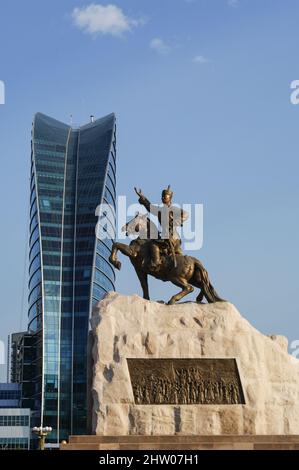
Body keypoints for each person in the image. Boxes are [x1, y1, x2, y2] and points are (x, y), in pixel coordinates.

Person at [134, 185, 189, 269]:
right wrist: (143, 198)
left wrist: (174, 222)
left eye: (165, 197)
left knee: (153, 243)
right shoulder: (160, 209)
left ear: (170, 198)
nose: (163, 198)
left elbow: (185, 214)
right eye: (162, 196)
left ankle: (155, 262)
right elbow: (150, 208)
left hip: (171, 237)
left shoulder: (173, 209)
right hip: (165, 236)